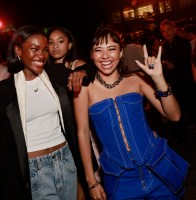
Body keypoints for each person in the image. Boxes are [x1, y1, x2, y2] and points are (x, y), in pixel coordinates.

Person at [73, 26, 189, 200]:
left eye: (112, 49)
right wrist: (91, 181)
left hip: (157, 169)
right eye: (99, 50)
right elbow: (82, 133)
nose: (105, 56)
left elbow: (174, 115)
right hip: (120, 180)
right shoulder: (83, 89)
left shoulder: (137, 80)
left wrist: (159, 79)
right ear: (91, 55)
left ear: (120, 53)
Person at [0, 25, 82, 200]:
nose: (42, 55)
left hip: (65, 160)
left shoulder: (56, 75)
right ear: (18, 51)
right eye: (34, 49)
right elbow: (0, 151)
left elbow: (92, 70)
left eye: (45, 50)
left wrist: (81, 72)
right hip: (35, 169)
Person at [45, 25, 99, 200]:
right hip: (57, 131)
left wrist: (84, 72)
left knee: (88, 175)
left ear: (69, 45)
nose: (56, 46)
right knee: (71, 179)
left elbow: (92, 69)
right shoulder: (44, 70)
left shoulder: (78, 65)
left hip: (81, 129)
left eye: (60, 41)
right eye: (51, 43)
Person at [160, 19, 196, 141]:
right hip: (173, 82)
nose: (166, 33)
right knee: (178, 107)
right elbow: (165, 60)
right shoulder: (164, 45)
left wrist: (173, 65)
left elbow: (185, 60)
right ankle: (182, 134)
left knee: (189, 106)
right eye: (163, 31)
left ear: (174, 29)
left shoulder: (183, 43)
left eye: (168, 30)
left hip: (185, 80)